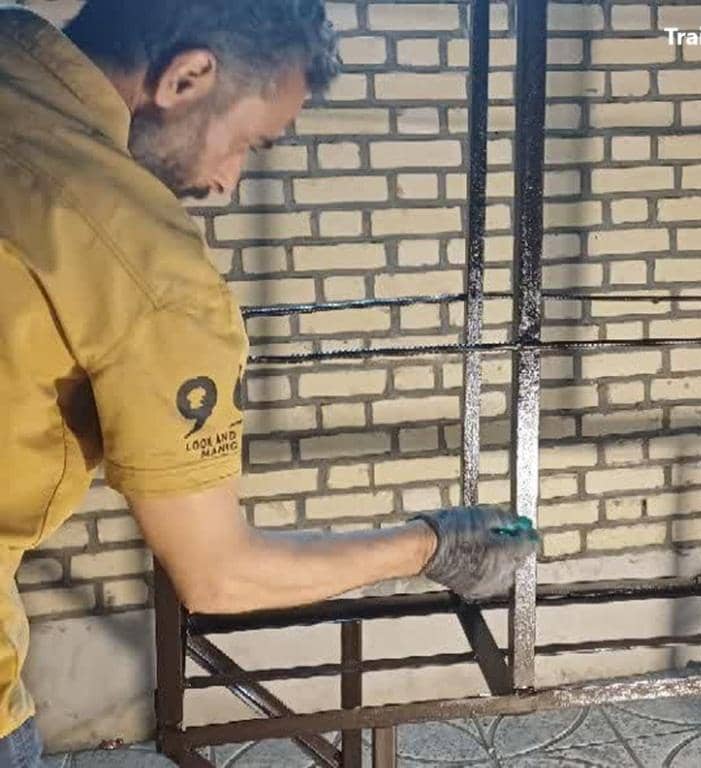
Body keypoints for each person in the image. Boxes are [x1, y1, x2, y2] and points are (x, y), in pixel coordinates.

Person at [0, 2, 537, 764]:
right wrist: (434, 545)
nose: (226, 180)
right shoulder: (142, 262)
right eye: (249, 142)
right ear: (186, 78)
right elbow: (220, 576)